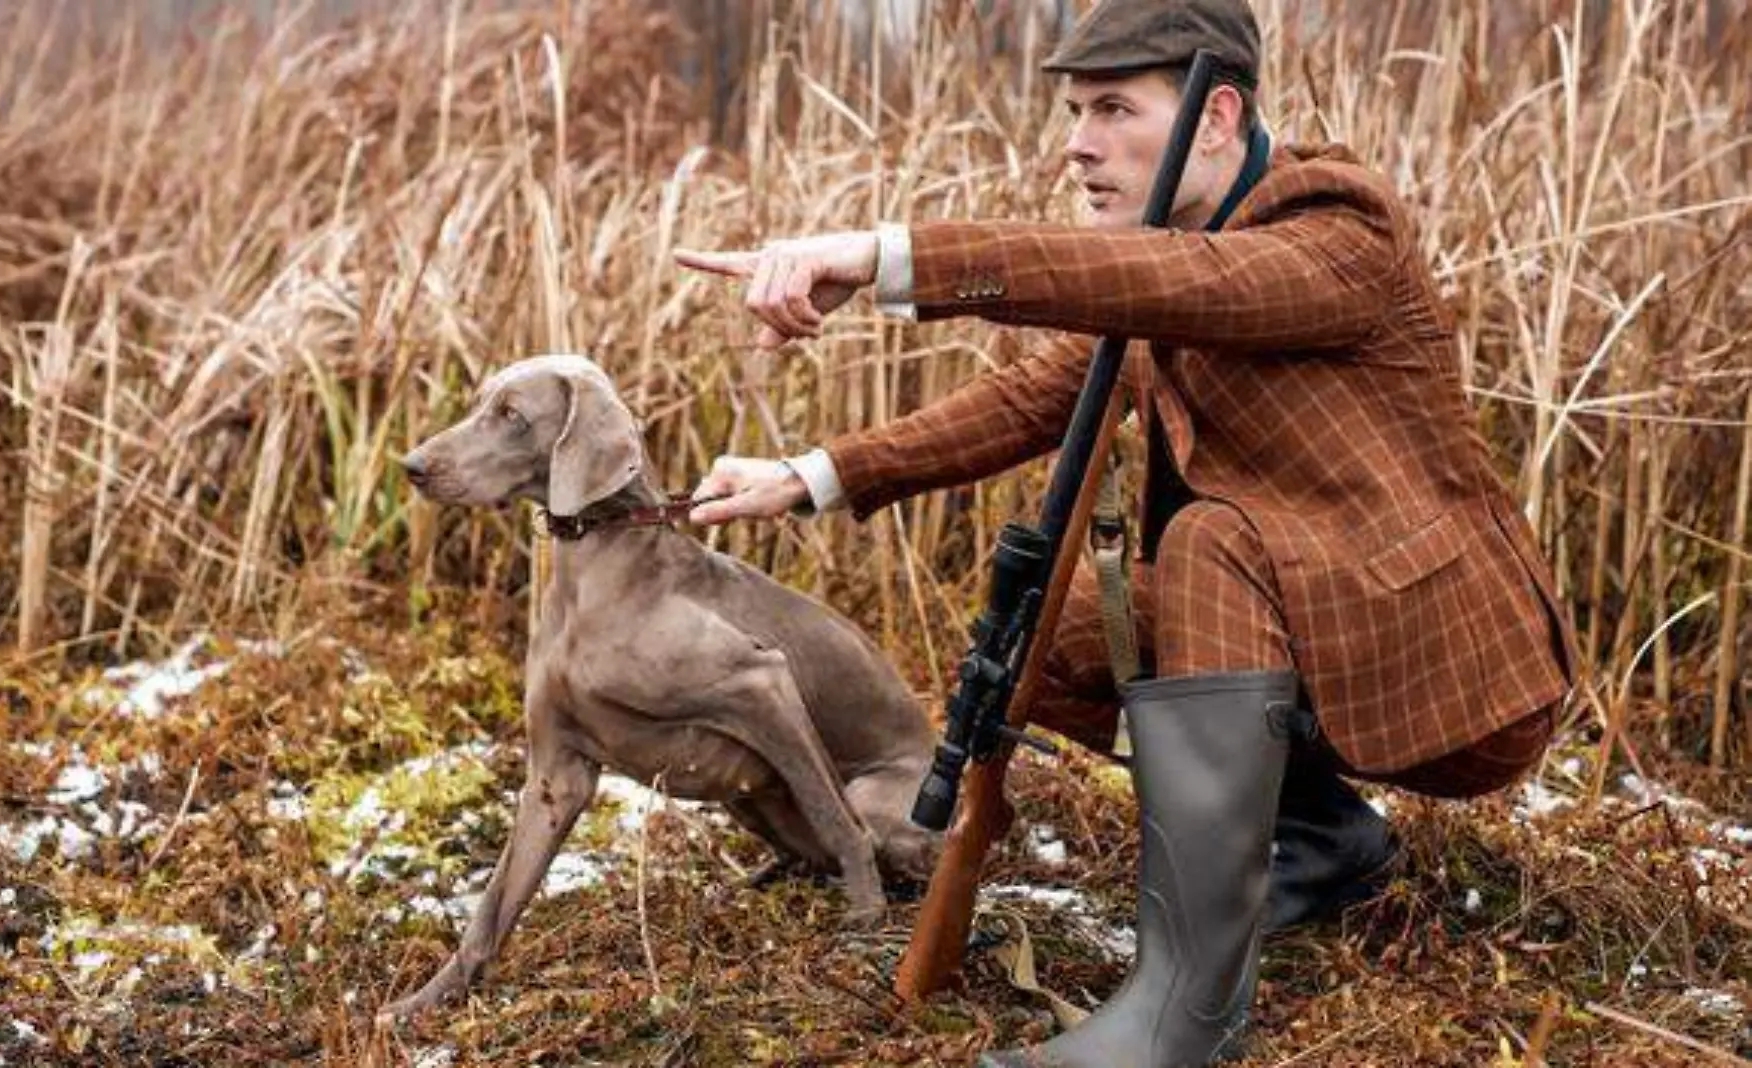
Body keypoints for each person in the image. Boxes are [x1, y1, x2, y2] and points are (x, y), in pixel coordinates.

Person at [673, 1, 1577, 1064]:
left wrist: (880, 257)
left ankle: (1183, 1014)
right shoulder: (1173, 256)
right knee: (1054, 632)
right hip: (1316, 639)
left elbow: (1171, 284)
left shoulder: (1336, 230)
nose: (1078, 143)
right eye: (1072, 111)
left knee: (1210, 543)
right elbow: (1027, 401)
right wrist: (810, 474)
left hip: (1443, 669)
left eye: (1114, 109)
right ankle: (1326, 839)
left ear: (1214, 116)